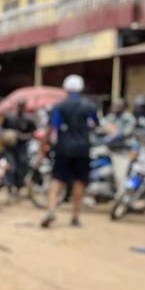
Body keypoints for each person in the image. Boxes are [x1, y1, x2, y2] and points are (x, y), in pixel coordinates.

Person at [41, 74, 99, 228]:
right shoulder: (89, 106)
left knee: (57, 179)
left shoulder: (59, 107)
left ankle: (51, 209)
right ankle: (75, 217)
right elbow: (96, 124)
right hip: (83, 149)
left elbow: (53, 127)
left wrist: (43, 147)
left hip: (63, 148)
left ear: (65, 89)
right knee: (79, 182)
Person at [3, 100, 36, 195]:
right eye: (19, 105)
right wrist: (9, 135)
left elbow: (33, 134)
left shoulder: (29, 119)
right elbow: (3, 129)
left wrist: (22, 136)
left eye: (22, 106)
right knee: (11, 167)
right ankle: (9, 186)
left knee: (22, 167)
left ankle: (18, 187)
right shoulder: (9, 117)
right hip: (10, 147)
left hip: (22, 147)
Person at [103, 98, 137, 189]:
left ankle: (121, 198)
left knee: (120, 176)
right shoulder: (111, 117)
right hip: (109, 149)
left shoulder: (128, 118)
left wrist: (114, 132)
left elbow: (125, 133)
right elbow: (103, 127)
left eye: (119, 105)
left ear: (124, 107)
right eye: (114, 105)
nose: (116, 107)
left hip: (122, 151)